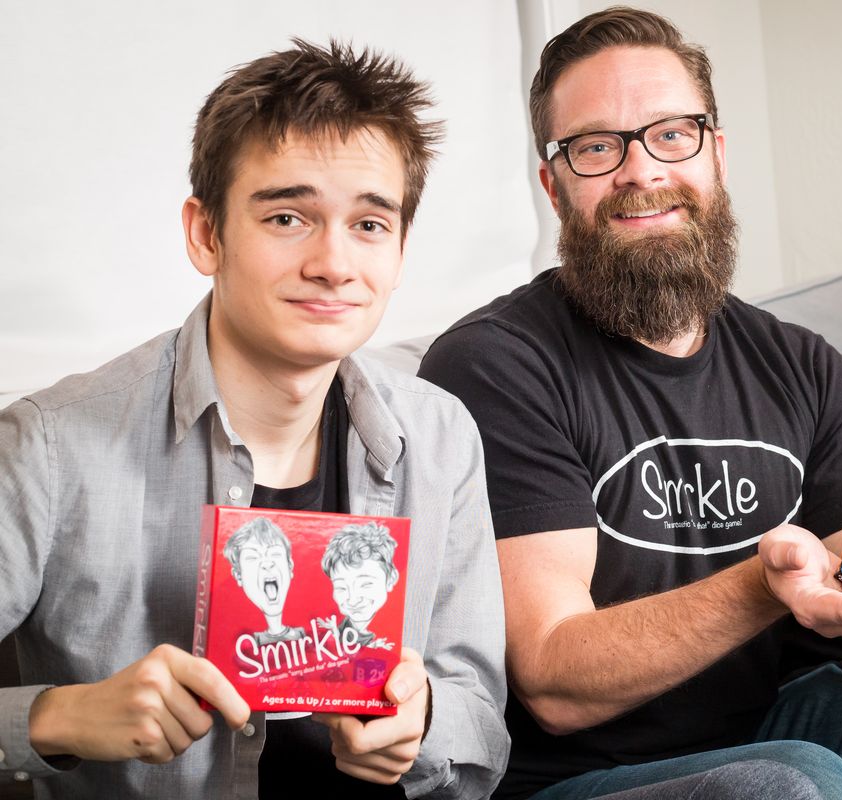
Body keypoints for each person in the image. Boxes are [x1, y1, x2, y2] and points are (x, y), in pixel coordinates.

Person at [419, 9, 842, 799]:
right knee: (792, 783)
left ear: (716, 152)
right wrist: (761, 583)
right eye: (596, 147)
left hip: (771, 724)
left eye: (672, 133)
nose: (641, 171)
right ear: (555, 184)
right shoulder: (496, 364)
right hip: (580, 776)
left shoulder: (803, 366)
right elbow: (555, 683)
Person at [0, 39, 508, 799]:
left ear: (400, 250)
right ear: (207, 234)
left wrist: (424, 721)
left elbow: (482, 726)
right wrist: (56, 719)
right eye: (287, 217)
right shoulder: (49, 445)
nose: (334, 263)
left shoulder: (440, 438)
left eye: (370, 225)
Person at [223, 517, 308, 646]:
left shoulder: (302, 634)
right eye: (252, 558)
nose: (267, 563)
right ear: (238, 576)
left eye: (275, 554)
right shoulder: (247, 642)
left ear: (290, 566)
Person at [321, 521, 402, 650]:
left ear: (391, 580)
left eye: (366, 584)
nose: (352, 600)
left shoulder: (389, 628)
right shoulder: (341, 628)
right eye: (341, 587)